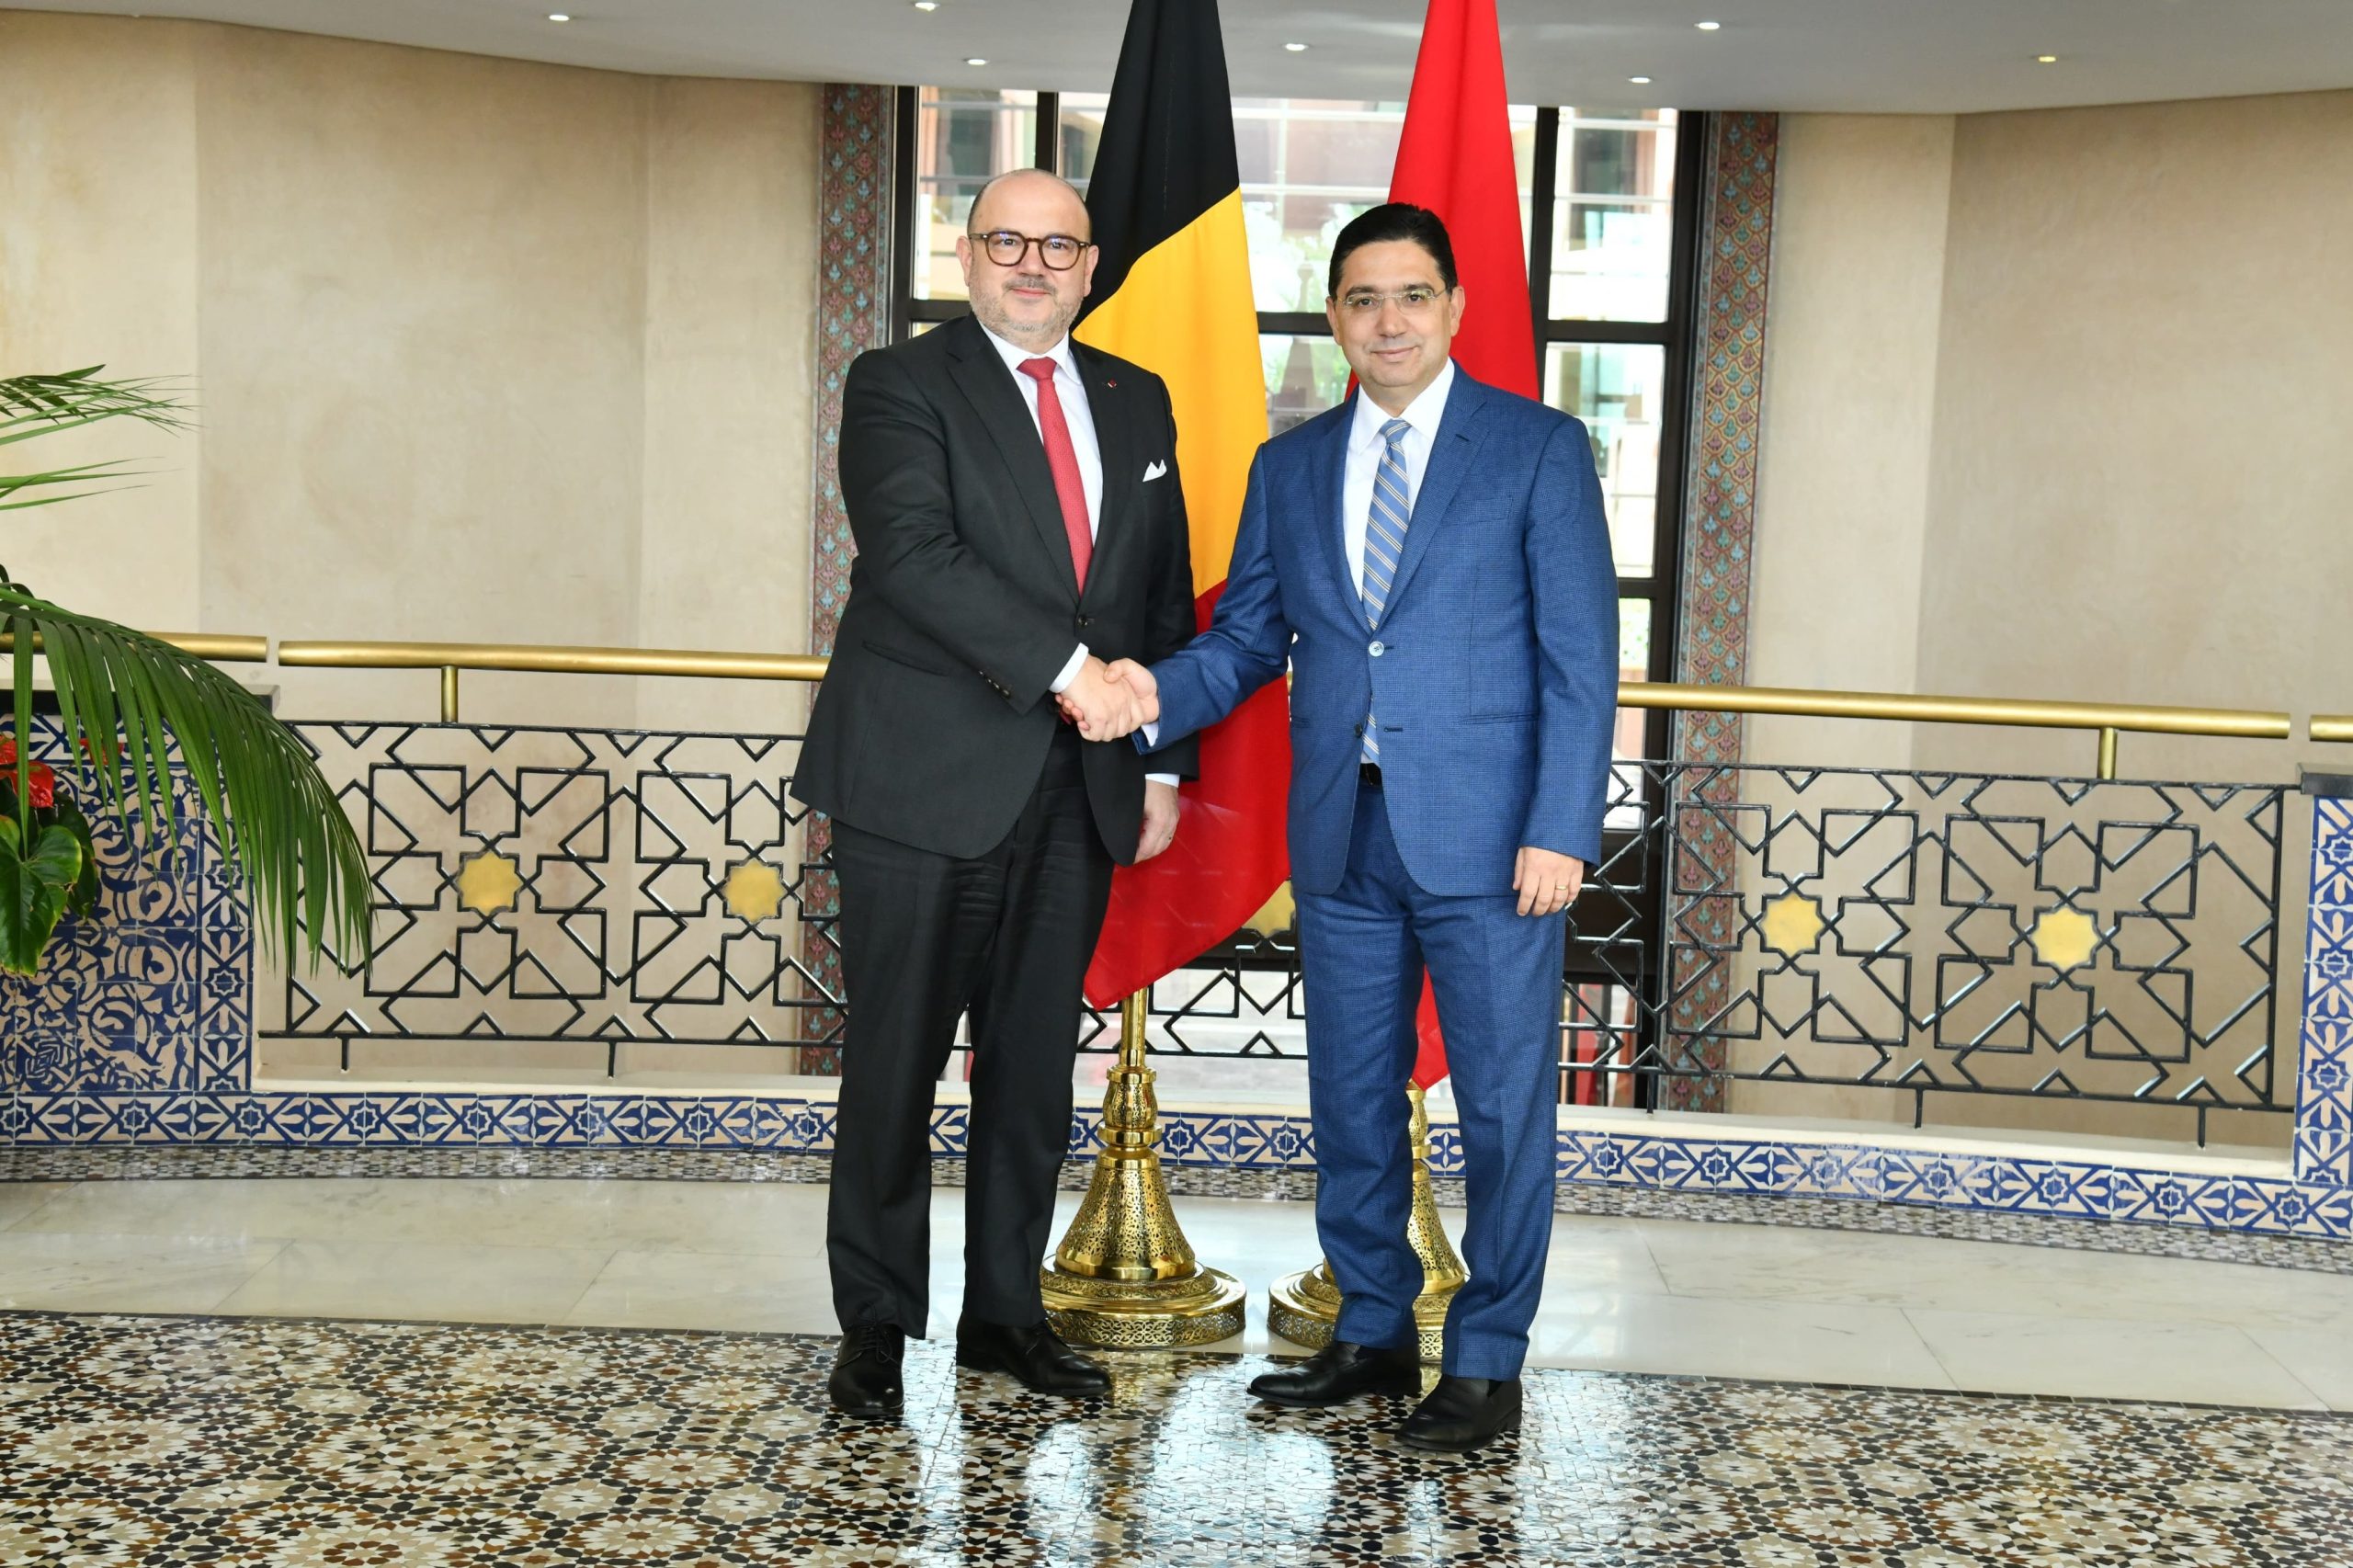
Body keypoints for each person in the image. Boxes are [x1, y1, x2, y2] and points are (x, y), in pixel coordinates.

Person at [1111, 202, 1618, 1452]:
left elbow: (1582, 659)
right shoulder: (1289, 467)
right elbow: (1247, 641)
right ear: (1335, 317)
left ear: (1454, 307)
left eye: (1412, 295)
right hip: (1342, 834)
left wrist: (1562, 826)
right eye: (1362, 298)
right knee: (1348, 1100)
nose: (1388, 320)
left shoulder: (1538, 449)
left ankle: (1487, 1358)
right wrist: (1145, 694)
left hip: (1497, 845)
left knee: (1502, 1113)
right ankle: (1373, 1328)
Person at [792, 167, 1193, 1418]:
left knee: (1031, 1072)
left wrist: (1161, 755)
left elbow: (1159, 586)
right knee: (895, 1061)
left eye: (1057, 245)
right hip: (920, 782)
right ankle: (876, 1322)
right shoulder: (899, 382)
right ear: (966, 256)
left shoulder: (1137, 396)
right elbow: (915, 556)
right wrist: (1077, 676)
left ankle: (1005, 1315)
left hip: (1081, 788)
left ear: (1090, 266)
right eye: (1005, 241)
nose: (1031, 263)